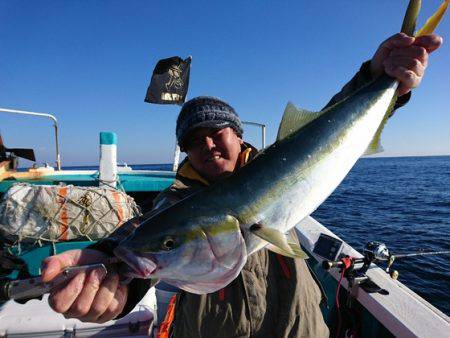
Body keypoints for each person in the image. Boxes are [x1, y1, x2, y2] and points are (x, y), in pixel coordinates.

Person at [41, 32, 442, 336]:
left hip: (299, 327)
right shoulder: (176, 201)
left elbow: (324, 129)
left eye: (217, 132)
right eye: (194, 141)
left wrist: (377, 78)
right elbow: (145, 232)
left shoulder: (277, 161)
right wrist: (110, 266)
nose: (208, 145)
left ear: (239, 135)